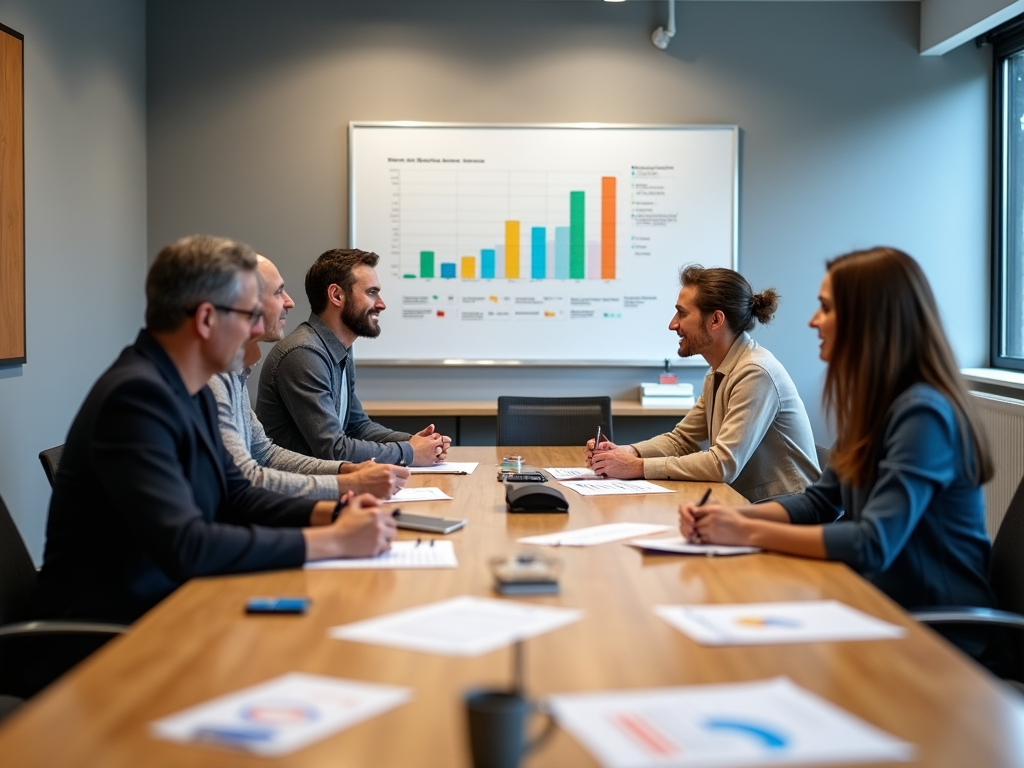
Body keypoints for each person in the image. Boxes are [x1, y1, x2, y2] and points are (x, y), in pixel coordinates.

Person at [32, 235, 397, 625]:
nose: (257, 329)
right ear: (207, 319)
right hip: (110, 634)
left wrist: (335, 513)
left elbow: (236, 494)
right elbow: (187, 545)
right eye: (248, 316)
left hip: (174, 604)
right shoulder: (136, 397)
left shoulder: (192, 390)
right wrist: (332, 541)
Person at [679, 247, 1000, 663]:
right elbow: (820, 501)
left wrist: (744, 532)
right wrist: (733, 518)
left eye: (826, 308)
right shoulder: (877, 405)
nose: (814, 321)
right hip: (878, 604)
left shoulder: (924, 413)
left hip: (938, 634)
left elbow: (872, 543)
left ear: (870, 319)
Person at [587, 265, 819, 502]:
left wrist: (637, 466)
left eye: (682, 313)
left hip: (791, 508)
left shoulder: (755, 372)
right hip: (750, 502)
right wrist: (627, 452)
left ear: (716, 320)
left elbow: (722, 464)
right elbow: (682, 440)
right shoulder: (719, 371)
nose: (673, 324)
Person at [208, 254, 409, 500]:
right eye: (278, 292)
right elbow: (245, 477)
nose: (290, 302)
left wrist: (348, 472)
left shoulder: (234, 373)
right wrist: (349, 482)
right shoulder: (300, 353)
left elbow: (265, 455)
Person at [256, 248, 450, 465]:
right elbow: (334, 449)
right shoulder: (304, 353)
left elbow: (357, 426)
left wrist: (417, 443)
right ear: (337, 295)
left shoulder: (339, 349)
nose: (381, 304)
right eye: (371, 292)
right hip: (296, 492)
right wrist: (410, 452)